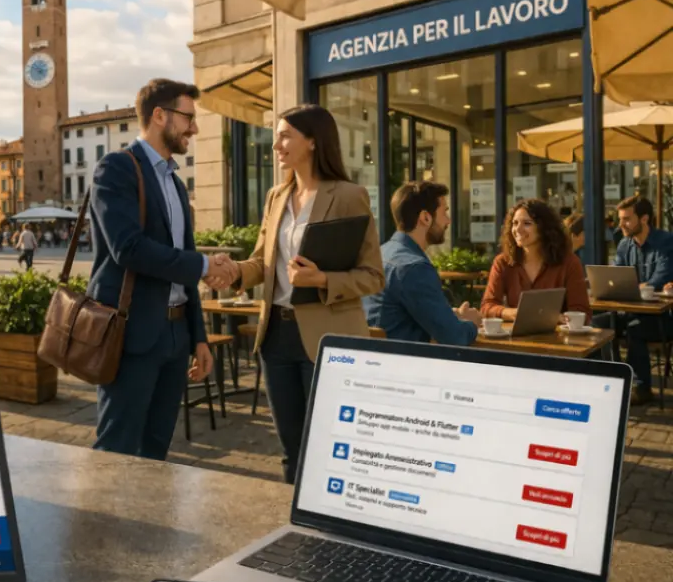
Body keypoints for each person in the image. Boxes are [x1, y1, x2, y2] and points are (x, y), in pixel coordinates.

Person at [211, 104, 383, 484]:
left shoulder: (349, 196)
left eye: (285, 135)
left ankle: (337, 530)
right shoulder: (276, 196)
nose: (276, 144)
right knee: (291, 448)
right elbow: (262, 262)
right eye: (277, 135)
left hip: (329, 338)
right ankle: (297, 533)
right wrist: (234, 271)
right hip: (276, 337)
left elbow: (373, 276)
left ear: (313, 141)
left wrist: (322, 279)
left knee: (330, 447)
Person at [88, 78, 229, 461]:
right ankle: (104, 521)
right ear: (159, 115)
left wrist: (198, 337)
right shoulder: (115, 169)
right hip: (132, 335)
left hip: (175, 338)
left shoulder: (176, 184)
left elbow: (183, 260)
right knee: (116, 450)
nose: (194, 129)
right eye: (188, 118)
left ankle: (145, 524)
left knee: (156, 453)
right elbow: (128, 249)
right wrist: (203, 265)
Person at [364, 181, 479, 346]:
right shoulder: (413, 268)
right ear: (425, 217)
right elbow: (454, 337)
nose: (448, 221)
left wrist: (451, 316)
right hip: (403, 364)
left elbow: (400, 314)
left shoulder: (380, 254)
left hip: (374, 359)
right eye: (444, 212)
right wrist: (471, 323)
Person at [591, 195, 673, 405]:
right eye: (620, 219)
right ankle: (611, 380)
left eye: (626, 219)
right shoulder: (624, 246)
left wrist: (634, 288)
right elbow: (616, 279)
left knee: (635, 329)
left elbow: (659, 279)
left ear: (644, 219)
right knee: (596, 326)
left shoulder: (665, 242)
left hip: (661, 318)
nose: (621, 225)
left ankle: (642, 388)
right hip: (630, 313)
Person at [480, 198, 590, 321]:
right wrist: (510, 313)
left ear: (544, 228)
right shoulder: (502, 262)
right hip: (515, 338)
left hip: (557, 337)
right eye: (515, 223)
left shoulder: (569, 262)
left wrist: (555, 318)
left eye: (527, 223)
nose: (518, 229)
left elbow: (581, 312)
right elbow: (487, 306)